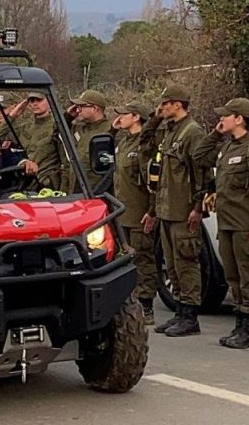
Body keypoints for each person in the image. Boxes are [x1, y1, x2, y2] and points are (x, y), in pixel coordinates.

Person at [193, 98, 249, 349]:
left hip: (245, 224)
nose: (221, 119)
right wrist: (215, 135)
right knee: (233, 276)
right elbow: (198, 156)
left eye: (225, 116)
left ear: (239, 119)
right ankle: (240, 323)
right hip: (227, 224)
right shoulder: (227, 148)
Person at [140, 84, 209, 337]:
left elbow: (201, 173)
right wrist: (155, 119)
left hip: (183, 210)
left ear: (177, 104)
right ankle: (180, 311)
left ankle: (190, 316)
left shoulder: (193, 133)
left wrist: (197, 207)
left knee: (187, 262)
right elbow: (145, 143)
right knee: (172, 264)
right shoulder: (170, 131)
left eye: (165, 104)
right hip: (167, 209)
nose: (161, 107)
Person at [111, 101, 157, 324]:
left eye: (124, 114)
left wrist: (151, 210)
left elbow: (152, 181)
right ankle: (131, 302)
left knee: (143, 257)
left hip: (140, 211)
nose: (119, 118)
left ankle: (146, 304)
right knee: (125, 259)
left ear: (136, 117)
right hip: (123, 212)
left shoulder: (144, 144)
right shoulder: (123, 142)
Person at [1, 92, 63, 191]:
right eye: (32, 100)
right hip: (24, 185)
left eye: (39, 100)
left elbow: (67, 162)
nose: (35, 103)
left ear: (49, 101)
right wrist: (13, 116)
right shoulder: (25, 128)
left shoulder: (57, 127)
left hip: (47, 186)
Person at [63, 90, 111, 194]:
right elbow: (58, 135)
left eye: (82, 106)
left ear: (95, 108)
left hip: (96, 191)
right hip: (75, 188)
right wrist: (68, 117)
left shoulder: (110, 130)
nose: (78, 110)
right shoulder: (78, 127)